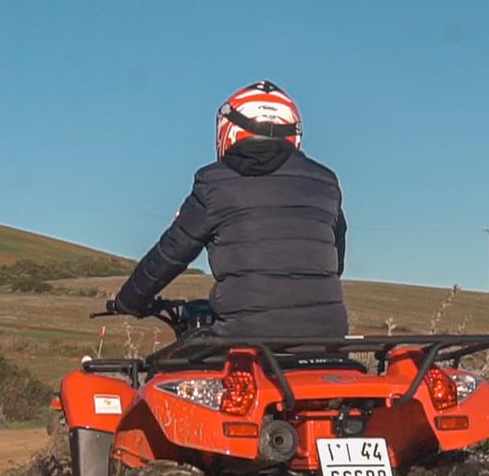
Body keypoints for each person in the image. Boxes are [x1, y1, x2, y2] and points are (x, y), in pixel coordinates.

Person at [112, 80, 349, 337]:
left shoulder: (214, 184)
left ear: (229, 130)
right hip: (328, 338)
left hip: (246, 336)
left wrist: (128, 300)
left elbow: (171, 253)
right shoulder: (326, 183)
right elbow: (336, 262)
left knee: (180, 359)